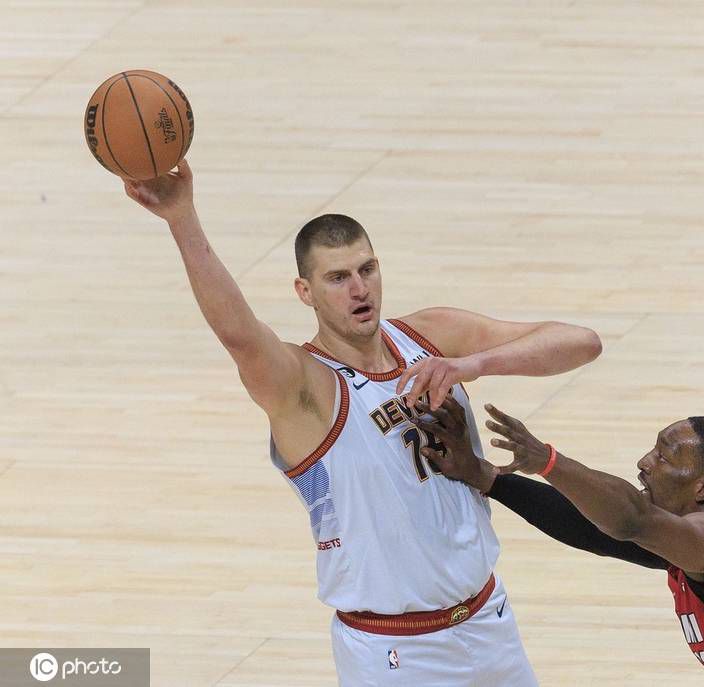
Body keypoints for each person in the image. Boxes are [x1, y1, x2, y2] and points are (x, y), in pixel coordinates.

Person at [123, 161, 602, 686]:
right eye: (337, 278)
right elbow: (238, 334)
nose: (359, 289)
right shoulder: (304, 385)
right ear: (305, 292)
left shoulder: (430, 336)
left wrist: (470, 365)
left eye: (367, 269)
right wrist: (182, 219)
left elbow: (580, 342)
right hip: (393, 652)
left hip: (490, 624)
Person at [414, 398, 704, 687]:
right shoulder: (691, 544)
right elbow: (594, 530)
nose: (645, 463)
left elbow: (630, 519)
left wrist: (546, 460)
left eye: (666, 456)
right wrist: (485, 476)